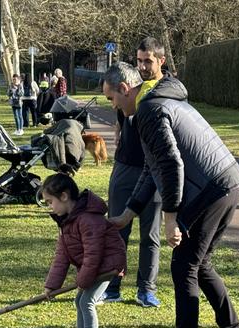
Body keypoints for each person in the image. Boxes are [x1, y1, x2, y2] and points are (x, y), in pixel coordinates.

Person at [104, 62, 239, 328]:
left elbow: (171, 165)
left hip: (210, 190)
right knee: (200, 263)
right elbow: (151, 167)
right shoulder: (159, 101)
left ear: (124, 89)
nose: (113, 106)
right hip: (227, 183)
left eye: (111, 99)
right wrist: (128, 213)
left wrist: (170, 217)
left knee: (184, 266)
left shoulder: (149, 111)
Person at [99, 37, 165, 308]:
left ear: (161, 60)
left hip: (153, 172)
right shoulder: (129, 91)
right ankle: (111, 286)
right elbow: (119, 116)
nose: (143, 66)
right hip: (125, 169)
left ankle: (146, 289)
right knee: (117, 229)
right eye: (139, 60)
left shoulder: (163, 91)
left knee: (150, 234)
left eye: (147, 60)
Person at [42, 169, 127, 328]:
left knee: (87, 301)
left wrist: (83, 279)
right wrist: (51, 286)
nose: (49, 207)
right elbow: (62, 256)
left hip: (108, 265)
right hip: (95, 266)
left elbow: (93, 253)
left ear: (63, 196)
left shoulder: (88, 219)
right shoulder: (67, 222)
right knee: (80, 300)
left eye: (49, 201)